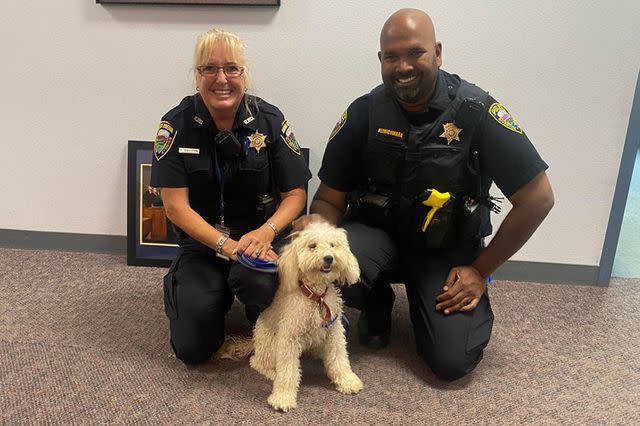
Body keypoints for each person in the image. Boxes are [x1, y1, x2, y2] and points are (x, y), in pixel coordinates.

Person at [299, 9, 554, 381]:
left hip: (446, 247)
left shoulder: (476, 110)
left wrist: (480, 271)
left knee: (452, 361)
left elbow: (538, 197)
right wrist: (315, 230)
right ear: (380, 60)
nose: (403, 66)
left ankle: (429, 305)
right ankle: (376, 300)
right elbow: (329, 199)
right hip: (377, 234)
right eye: (391, 56)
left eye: (415, 53)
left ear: (437, 52)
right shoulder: (364, 112)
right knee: (327, 271)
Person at [151, 29, 311, 365]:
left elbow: (296, 195)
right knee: (192, 349)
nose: (221, 79)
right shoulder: (176, 125)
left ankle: (254, 307)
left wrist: (266, 232)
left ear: (244, 74)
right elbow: (175, 207)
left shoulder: (269, 121)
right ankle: (205, 294)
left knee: (262, 293)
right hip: (205, 246)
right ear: (197, 76)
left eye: (232, 68)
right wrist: (226, 247)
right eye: (209, 69)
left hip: (258, 241)